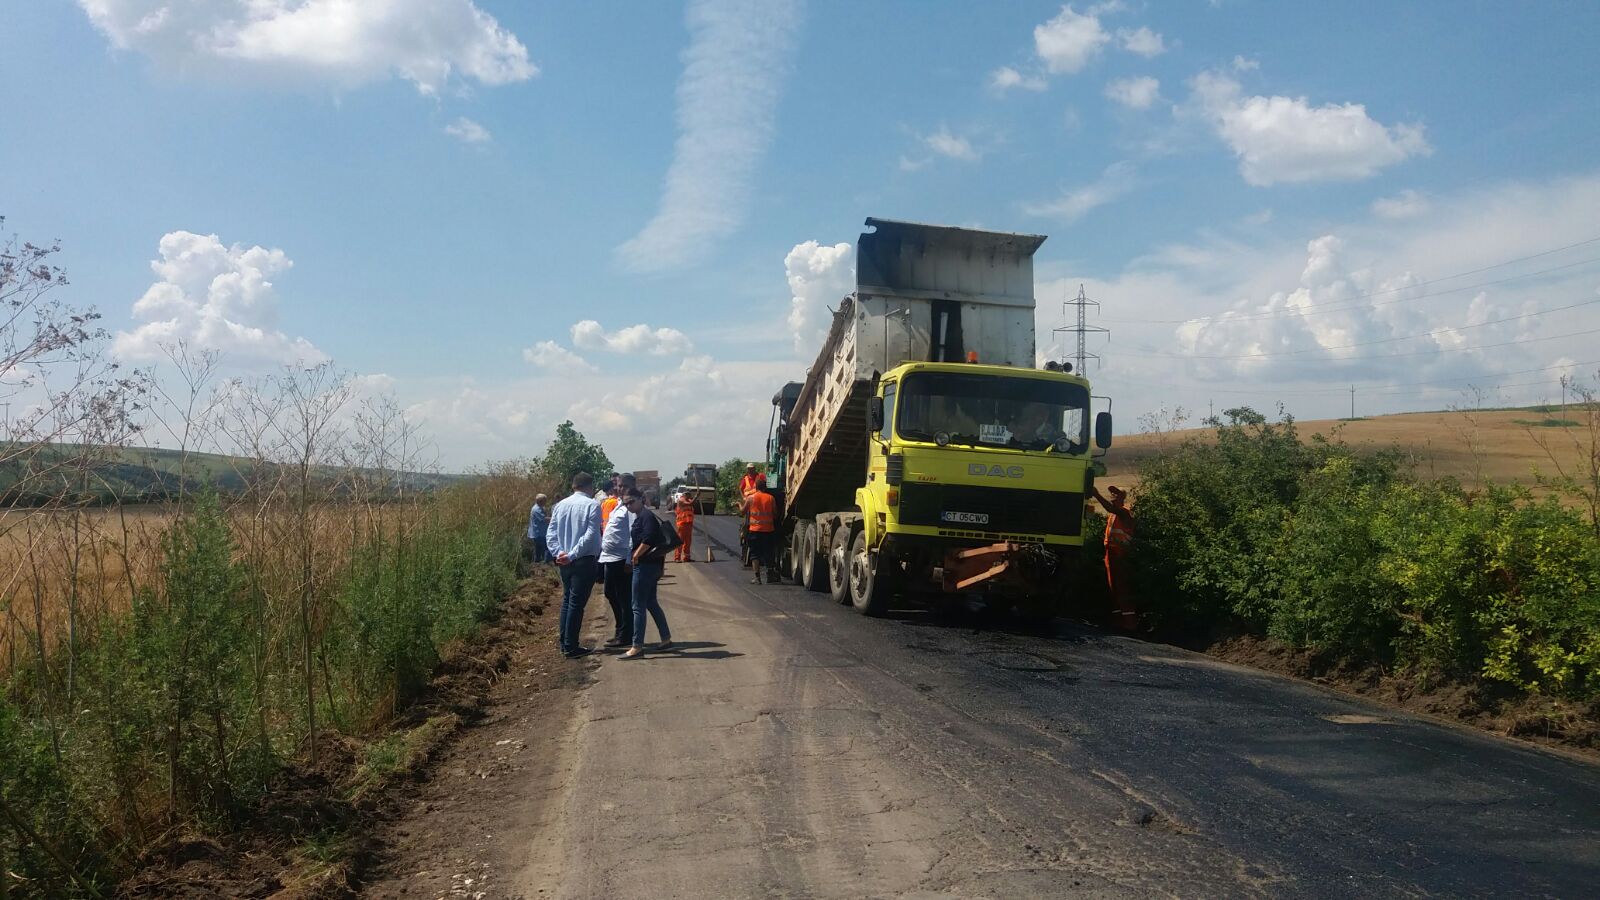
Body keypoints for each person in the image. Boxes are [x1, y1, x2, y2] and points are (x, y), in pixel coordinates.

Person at [547, 472, 603, 658]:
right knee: (576, 604)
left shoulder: (560, 505)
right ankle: (571, 646)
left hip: (564, 560)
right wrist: (571, 555)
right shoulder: (592, 505)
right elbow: (590, 535)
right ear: (589, 486)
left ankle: (565, 643)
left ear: (573, 486)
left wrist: (559, 553)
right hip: (582, 560)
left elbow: (551, 533)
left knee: (567, 601)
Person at [621, 488, 673, 659]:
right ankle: (666, 638)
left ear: (640, 499)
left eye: (631, 502)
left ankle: (637, 647)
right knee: (651, 602)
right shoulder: (641, 516)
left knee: (637, 606)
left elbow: (649, 539)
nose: (628, 506)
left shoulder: (646, 516)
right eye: (625, 503)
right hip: (650, 565)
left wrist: (636, 556)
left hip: (645, 566)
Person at [1090, 484, 1137, 632]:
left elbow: (1111, 508)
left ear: (1122, 497)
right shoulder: (1115, 514)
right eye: (1112, 493)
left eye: (1116, 494)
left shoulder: (1124, 512)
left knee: (1121, 588)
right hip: (1111, 554)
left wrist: (1097, 494)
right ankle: (1118, 621)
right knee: (1113, 589)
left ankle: (1130, 624)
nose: (1113, 496)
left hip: (1120, 554)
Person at [597, 485, 635, 648]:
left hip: (621, 558)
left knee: (623, 597)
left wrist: (629, 560)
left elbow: (633, 534)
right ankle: (620, 629)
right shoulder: (618, 504)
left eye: (620, 485)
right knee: (610, 593)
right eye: (616, 484)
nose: (616, 487)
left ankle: (626, 634)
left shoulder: (630, 509)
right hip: (609, 557)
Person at [744, 475, 779, 585]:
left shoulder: (750, 498)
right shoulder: (771, 498)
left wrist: (738, 505)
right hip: (768, 531)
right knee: (768, 553)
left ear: (756, 487)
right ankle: (770, 576)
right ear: (765, 487)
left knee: (755, 554)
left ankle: (757, 578)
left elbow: (742, 511)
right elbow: (775, 515)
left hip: (754, 530)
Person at [673, 488, 696, 563]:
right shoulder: (681, 500)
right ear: (684, 494)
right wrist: (696, 496)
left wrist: (696, 498)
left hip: (689, 523)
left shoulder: (689, 500)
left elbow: (692, 503)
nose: (689, 495)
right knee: (680, 541)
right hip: (682, 523)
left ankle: (687, 557)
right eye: (688, 494)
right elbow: (690, 504)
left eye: (690, 494)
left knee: (688, 541)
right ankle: (677, 558)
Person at [527, 493, 549, 564]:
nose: (546, 502)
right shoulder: (537, 509)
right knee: (546, 547)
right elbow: (544, 519)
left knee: (538, 548)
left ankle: (537, 562)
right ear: (540, 501)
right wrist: (555, 518)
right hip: (538, 532)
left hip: (539, 532)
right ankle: (545, 562)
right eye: (545, 501)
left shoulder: (539, 508)